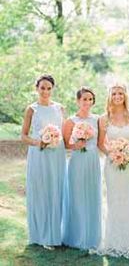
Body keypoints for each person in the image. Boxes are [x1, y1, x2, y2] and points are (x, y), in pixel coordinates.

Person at [93, 83, 129, 258]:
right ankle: (112, 241)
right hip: (111, 165)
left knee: (128, 198)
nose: (118, 96)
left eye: (121, 93)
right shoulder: (103, 118)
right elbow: (101, 143)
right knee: (113, 199)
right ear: (110, 96)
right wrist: (112, 153)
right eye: (114, 93)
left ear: (125, 96)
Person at [21, 74, 66, 250]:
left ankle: (55, 232)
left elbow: (64, 132)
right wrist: (38, 142)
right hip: (39, 154)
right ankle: (41, 235)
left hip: (57, 155)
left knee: (56, 190)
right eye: (42, 88)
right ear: (37, 88)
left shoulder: (60, 108)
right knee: (41, 190)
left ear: (52, 89)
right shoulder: (32, 109)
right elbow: (23, 136)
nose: (46, 91)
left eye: (49, 88)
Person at [62, 87, 101, 249]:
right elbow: (65, 144)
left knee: (92, 196)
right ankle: (76, 236)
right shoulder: (71, 121)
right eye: (84, 99)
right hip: (77, 161)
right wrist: (75, 145)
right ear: (78, 101)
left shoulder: (98, 119)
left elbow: (101, 142)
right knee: (77, 196)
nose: (87, 102)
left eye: (90, 99)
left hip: (93, 160)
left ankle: (92, 236)